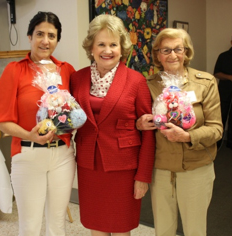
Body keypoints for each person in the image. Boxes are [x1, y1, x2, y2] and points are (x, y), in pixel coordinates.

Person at [0, 12, 76, 236]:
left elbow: (76, 111)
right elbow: (0, 121)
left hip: (62, 157)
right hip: (28, 155)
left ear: (58, 40)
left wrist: (72, 124)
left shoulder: (67, 70)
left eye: (51, 35)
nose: (45, 41)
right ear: (29, 36)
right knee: (29, 225)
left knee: (57, 224)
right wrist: (30, 135)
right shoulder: (15, 70)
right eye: (40, 34)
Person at [70, 14, 155, 236]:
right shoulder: (77, 79)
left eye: (113, 44)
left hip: (123, 168)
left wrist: (143, 176)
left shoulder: (136, 80)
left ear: (122, 48)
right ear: (91, 47)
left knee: (120, 228)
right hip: (89, 167)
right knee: (95, 226)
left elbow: (148, 132)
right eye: (101, 44)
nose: (107, 50)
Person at [136, 28, 223, 236]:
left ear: (187, 52)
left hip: (196, 169)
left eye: (178, 49)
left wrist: (188, 136)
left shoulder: (205, 83)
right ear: (157, 54)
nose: (172, 55)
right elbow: (137, 125)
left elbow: (217, 129)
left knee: (195, 230)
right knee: (163, 230)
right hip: (161, 171)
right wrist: (139, 124)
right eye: (165, 50)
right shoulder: (147, 85)